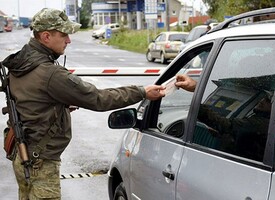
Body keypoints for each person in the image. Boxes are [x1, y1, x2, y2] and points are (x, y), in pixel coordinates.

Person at [1, 8, 165, 200]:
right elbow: (98, 98)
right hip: (40, 163)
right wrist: (142, 92)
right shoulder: (50, 74)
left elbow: (30, 102)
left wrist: (59, 107)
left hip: (21, 155)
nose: (68, 40)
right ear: (46, 36)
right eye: (64, 35)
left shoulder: (20, 63)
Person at [175, 74, 275, 161]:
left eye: (268, 100)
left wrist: (197, 96)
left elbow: (227, 126)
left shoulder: (262, 123)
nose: (262, 101)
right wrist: (220, 135)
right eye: (264, 97)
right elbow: (242, 138)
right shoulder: (260, 120)